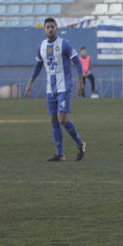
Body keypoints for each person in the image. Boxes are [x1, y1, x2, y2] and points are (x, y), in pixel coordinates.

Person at [24, 17, 86, 162]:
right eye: (48, 27)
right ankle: (60, 154)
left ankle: (80, 143)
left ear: (56, 28)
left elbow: (77, 61)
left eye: (53, 26)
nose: (50, 29)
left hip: (64, 87)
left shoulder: (64, 44)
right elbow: (38, 65)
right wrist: (30, 82)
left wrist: (80, 80)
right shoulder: (41, 46)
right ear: (44, 29)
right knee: (53, 120)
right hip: (50, 89)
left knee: (62, 120)